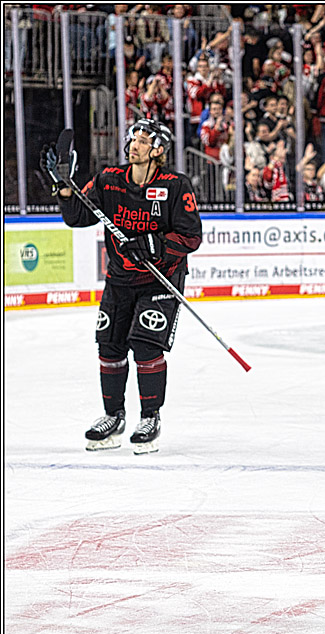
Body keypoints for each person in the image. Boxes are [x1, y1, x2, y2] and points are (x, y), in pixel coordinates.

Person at [40, 119, 203, 453]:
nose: (134, 145)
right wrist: (65, 188)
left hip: (161, 279)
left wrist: (153, 245)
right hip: (120, 279)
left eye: (143, 140)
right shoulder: (109, 181)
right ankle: (113, 416)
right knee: (110, 346)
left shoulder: (176, 185)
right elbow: (77, 217)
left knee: (145, 345)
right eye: (133, 139)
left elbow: (191, 236)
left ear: (158, 150)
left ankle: (150, 417)